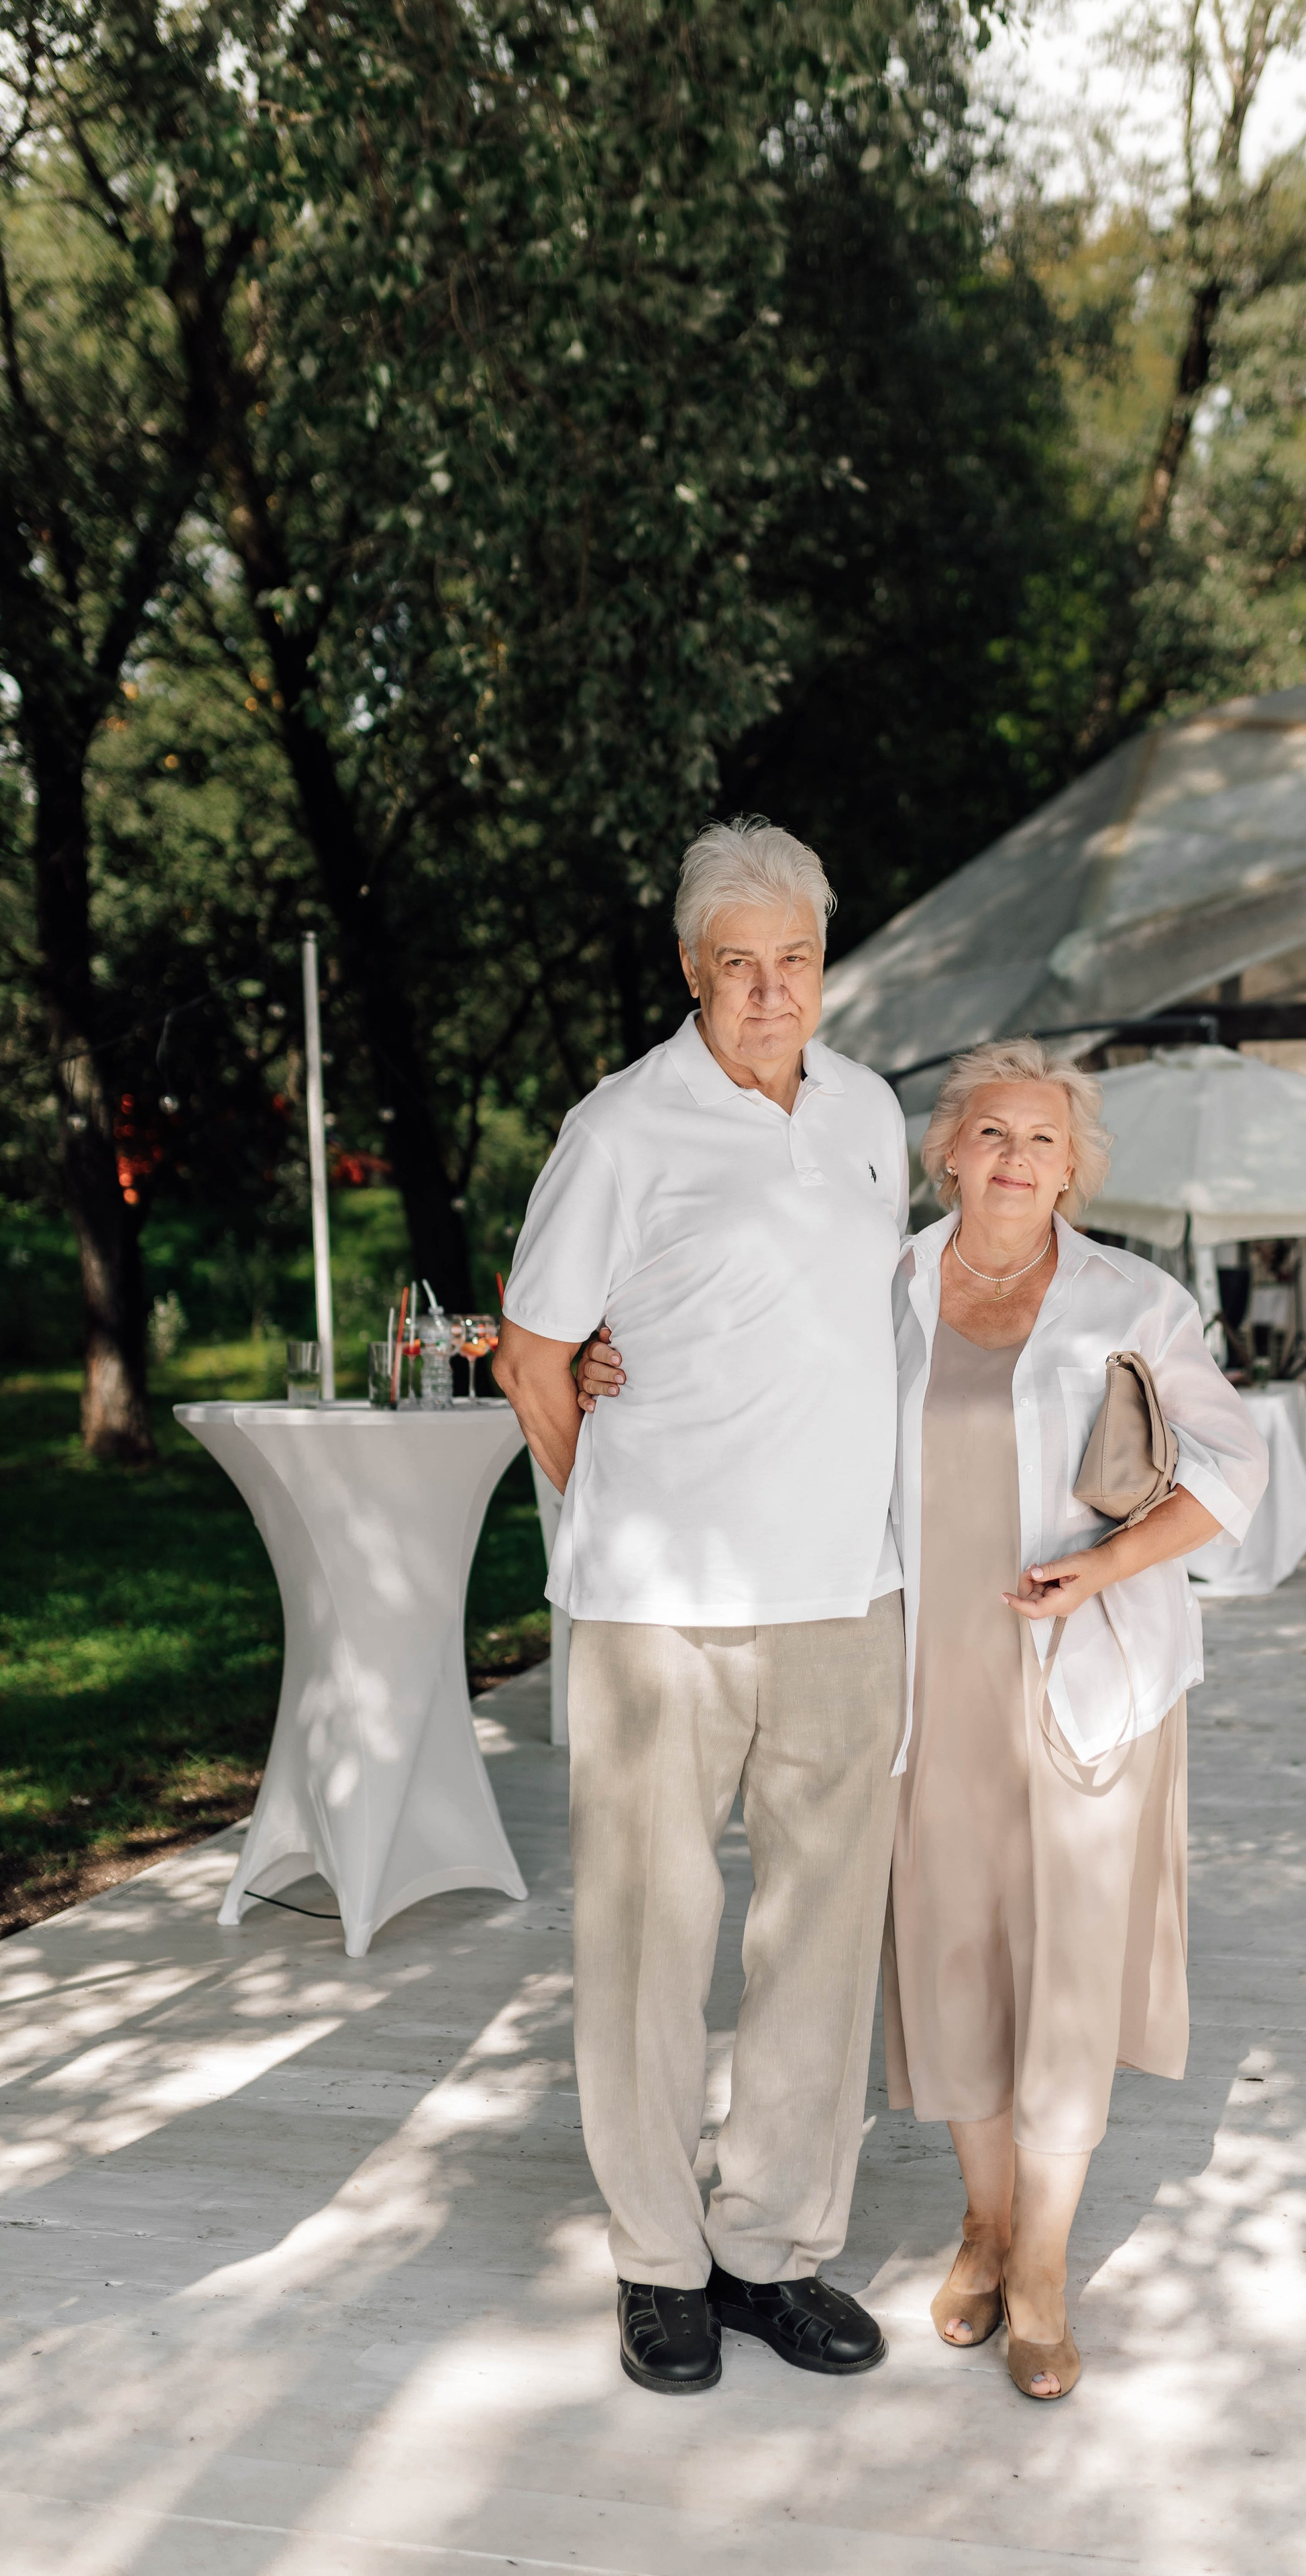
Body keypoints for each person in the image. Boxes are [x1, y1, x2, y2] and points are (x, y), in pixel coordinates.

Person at [494, 818, 909, 2398]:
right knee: (647, 1935)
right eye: (735, 965)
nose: (767, 989)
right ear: (690, 972)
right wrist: (603, 1492)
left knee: (818, 1943)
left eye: (792, 960)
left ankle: (770, 2248)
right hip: (661, 1605)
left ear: (820, 963)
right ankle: (658, 2260)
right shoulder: (620, 1130)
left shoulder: (869, 1112)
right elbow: (538, 1348)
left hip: (840, 1595)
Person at [882, 1040, 1268, 2402]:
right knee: (956, 1953)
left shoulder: (1132, 1300)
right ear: (946, 1151)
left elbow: (1233, 1468)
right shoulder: (882, 1290)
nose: (1014, 1161)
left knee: (1058, 1967)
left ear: (1073, 1167)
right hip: (928, 1677)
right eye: (991, 1134)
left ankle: (1039, 2266)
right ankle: (980, 2226)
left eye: (1042, 1142)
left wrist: (1100, 1567)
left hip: (1085, 1673)